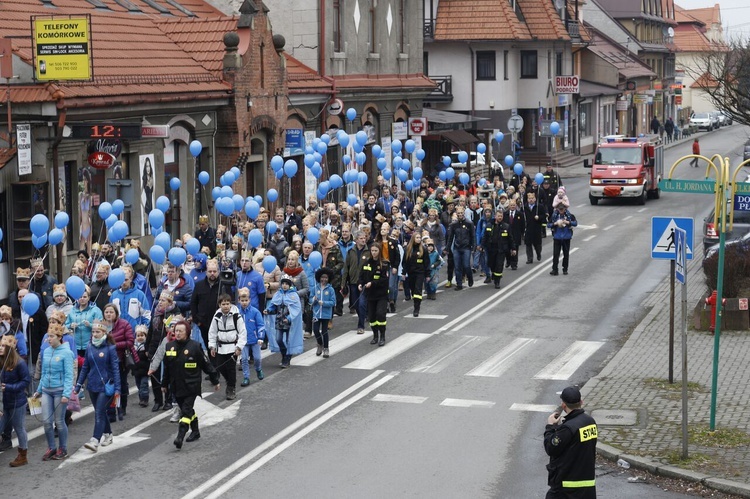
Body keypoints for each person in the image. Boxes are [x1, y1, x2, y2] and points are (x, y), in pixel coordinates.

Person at [163, 321, 220, 449]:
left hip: (191, 386)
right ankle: (195, 431)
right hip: (176, 386)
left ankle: (180, 437)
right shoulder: (169, 347)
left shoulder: (195, 346)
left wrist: (215, 380)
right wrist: (164, 384)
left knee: (185, 411)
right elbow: (167, 368)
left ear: (187, 332)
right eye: (176, 331)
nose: (177, 333)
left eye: (180, 331)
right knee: (186, 410)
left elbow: (206, 365)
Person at [74, 320, 121, 453]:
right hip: (92, 385)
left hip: (106, 386)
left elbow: (115, 369)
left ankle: (95, 440)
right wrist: (78, 385)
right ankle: (109, 434)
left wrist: (118, 388)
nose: (95, 334)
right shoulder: (90, 346)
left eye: (98, 332)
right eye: (93, 332)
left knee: (99, 412)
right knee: (100, 412)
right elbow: (85, 367)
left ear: (104, 332)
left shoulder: (110, 348)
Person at [544, 386, 598, 498]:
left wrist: (550, 427)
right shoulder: (590, 422)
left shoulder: (568, 429)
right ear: (581, 402)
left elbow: (551, 448)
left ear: (563, 405)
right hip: (587, 487)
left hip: (566, 489)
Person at [34, 322, 75, 461]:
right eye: (47, 336)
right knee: (46, 421)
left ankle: (62, 448)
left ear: (59, 337)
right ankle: (51, 447)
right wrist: (38, 390)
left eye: (51, 336)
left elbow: (69, 375)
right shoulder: (46, 351)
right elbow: (44, 373)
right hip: (46, 390)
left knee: (59, 421)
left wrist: (66, 394)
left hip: (59, 391)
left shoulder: (67, 353)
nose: (48, 339)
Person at [208, 294, 246, 400]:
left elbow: (243, 332)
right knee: (220, 366)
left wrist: (239, 347)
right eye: (223, 304)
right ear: (219, 305)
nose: (225, 306)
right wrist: (212, 346)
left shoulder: (236, 316)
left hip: (232, 347)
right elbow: (212, 332)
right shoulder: (217, 317)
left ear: (230, 304)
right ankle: (229, 381)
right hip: (221, 347)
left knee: (231, 369)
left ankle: (231, 388)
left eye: (227, 304)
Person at [0, 334, 31, 466]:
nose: (0, 348)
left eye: (3, 346)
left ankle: (23, 455)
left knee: (19, 428)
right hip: (3, 403)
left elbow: (25, 381)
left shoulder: (20, 363)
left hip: (16, 402)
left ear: (10, 348)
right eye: (0, 345)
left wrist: (9, 387)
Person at [265, 274, 303, 368]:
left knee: (289, 341)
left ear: (290, 285)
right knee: (278, 339)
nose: (284, 285)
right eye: (283, 283)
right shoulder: (278, 294)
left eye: (286, 283)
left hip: (289, 323)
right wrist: (268, 310)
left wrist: (289, 318)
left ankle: (287, 359)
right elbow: (273, 306)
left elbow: (296, 309)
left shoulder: (294, 295)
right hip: (279, 321)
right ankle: (284, 355)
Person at [359, 244, 391, 346]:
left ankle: (382, 335)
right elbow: (362, 276)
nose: (373, 252)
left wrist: (372, 283)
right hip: (370, 294)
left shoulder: (384, 264)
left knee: (380, 314)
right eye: (372, 250)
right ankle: (375, 335)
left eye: (376, 250)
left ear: (379, 251)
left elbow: (384, 280)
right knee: (372, 317)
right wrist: (360, 284)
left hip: (381, 294)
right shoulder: (366, 263)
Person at [64, 285, 103, 362]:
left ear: (88, 298)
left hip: (91, 344)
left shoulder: (95, 310)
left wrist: (90, 325)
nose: (82, 299)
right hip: (76, 345)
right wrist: (71, 326)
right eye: (80, 297)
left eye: (84, 297)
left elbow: (101, 326)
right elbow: (65, 326)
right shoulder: (72, 310)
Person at [342, 233, 370, 334]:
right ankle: (363, 315)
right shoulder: (351, 252)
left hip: (363, 282)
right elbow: (346, 267)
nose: (363, 240)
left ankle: (361, 325)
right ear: (356, 240)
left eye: (364, 238)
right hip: (353, 282)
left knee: (362, 303)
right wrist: (343, 282)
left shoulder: (368, 251)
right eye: (361, 238)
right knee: (355, 303)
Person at [481, 210, 516, 289]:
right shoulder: (489, 225)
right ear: (495, 216)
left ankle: (497, 282)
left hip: (501, 250)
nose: (500, 217)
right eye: (498, 216)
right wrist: (482, 246)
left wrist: (513, 249)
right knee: (491, 264)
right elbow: (485, 237)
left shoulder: (506, 226)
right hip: (491, 249)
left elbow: (510, 239)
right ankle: (493, 273)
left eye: (501, 216)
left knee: (499, 265)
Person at [237, 287, 265, 385]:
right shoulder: (237, 313)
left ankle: (258, 369)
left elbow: (261, 325)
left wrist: (261, 337)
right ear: (239, 300)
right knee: (244, 359)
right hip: (243, 340)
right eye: (242, 300)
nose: (244, 302)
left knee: (257, 358)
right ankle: (246, 377)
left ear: (250, 300)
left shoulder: (255, 312)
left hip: (255, 339)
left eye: (246, 300)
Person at [447, 206, 475, 291]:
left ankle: (470, 277)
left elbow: (472, 236)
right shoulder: (453, 225)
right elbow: (451, 237)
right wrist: (447, 248)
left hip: (466, 247)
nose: (460, 215)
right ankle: (459, 284)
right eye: (458, 213)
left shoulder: (469, 223)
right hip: (457, 247)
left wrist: (473, 246)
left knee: (466, 265)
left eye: (461, 213)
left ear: (464, 213)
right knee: (457, 266)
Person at [403, 232, 430, 317]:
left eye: (419, 238)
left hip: (420, 273)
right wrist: (404, 272)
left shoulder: (424, 249)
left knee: (418, 290)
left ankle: (416, 308)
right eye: (417, 237)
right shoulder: (408, 249)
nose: (418, 239)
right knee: (413, 290)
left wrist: (427, 274)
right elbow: (405, 262)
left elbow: (427, 262)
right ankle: (415, 301)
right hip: (411, 273)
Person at [311, 268, 336, 357]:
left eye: (326, 278)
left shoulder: (330, 289)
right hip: (316, 313)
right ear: (319, 278)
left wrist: (324, 303)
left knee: (324, 331)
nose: (324, 279)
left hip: (325, 314)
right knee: (316, 330)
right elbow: (310, 299)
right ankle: (319, 344)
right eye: (322, 277)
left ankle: (326, 348)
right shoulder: (315, 288)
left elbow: (333, 302)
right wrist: (313, 300)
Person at [548, 203, 578, 276]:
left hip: (566, 237)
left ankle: (565, 269)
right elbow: (548, 224)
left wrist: (568, 222)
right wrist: (555, 223)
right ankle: (554, 269)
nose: (561, 210)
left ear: (565, 209)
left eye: (562, 209)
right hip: (557, 237)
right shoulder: (554, 216)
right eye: (559, 209)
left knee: (566, 254)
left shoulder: (569, 215)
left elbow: (575, 223)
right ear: (557, 209)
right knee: (555, 254)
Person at [523, 192, 547, 264]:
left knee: (537, 244)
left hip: (537, 228)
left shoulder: (539, 206)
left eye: (532, 198)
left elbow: (544, 215)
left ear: (535, 199)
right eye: (529, 198)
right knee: (528, 244)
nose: (531, 200)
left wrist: (539, 217)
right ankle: (530, 258)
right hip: (528, 228)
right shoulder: (524, 207)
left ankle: (538, 253)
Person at [132, 325, 150, 407]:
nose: (140, 337)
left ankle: (145, 399)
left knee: (144, 385)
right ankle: (141, 398)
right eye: (138, 336)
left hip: (145, 370)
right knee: (139, 385)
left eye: (142, 335)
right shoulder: (133, 347)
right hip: (136, 370)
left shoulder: (146, 347)